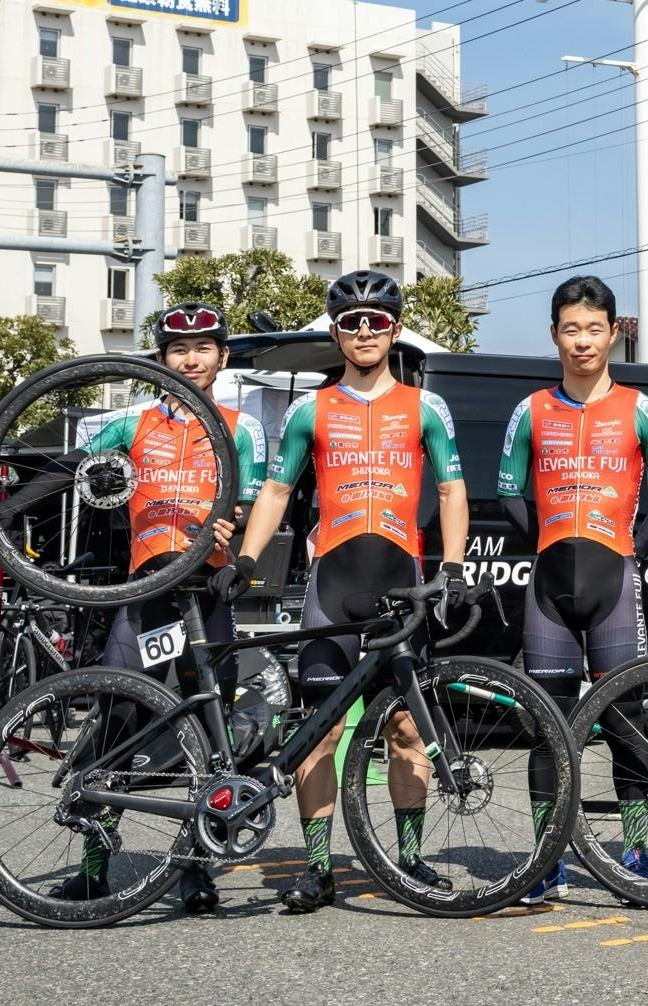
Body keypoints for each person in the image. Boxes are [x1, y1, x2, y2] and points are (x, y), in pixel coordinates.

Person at [0, 302, 268, 913]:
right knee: (114, 728)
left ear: (223, 358)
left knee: (210, 739)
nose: (191, 358)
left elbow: (256, 500)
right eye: (179, 350)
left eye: (205, 348)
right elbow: (67, 472)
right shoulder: (133, 426)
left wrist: (240, 559)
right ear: (161, 361)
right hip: (143, 592)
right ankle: (95, 866)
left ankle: (194, 869)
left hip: (205, 594)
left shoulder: (240, 426)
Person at [210, 270, 469, 914]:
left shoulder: (425, 407)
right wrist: (245, 559)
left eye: (376, 322)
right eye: (351, 323)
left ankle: (408, 862)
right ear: (336, 334)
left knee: (409, 730)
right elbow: (275, 491)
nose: (364, 332)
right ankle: (319, 868)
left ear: (395, 330)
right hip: (333, 585)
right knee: (320, 732)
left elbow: (449, 490)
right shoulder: (311, 409)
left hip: (400, 585)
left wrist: (456, 566)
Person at [497, 276, 648, 903]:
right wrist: (545, 539)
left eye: (593, 328)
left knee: (626, 721)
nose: (582, 341)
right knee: (548, 725)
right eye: (570, 329)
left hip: (615, 580)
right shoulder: (532, 410)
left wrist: (632, 551)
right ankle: (548, 860)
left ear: (614, 332)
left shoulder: (641, 408)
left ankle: (633, 853)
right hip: (549, 582)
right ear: (554, 335)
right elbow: (510, 490)